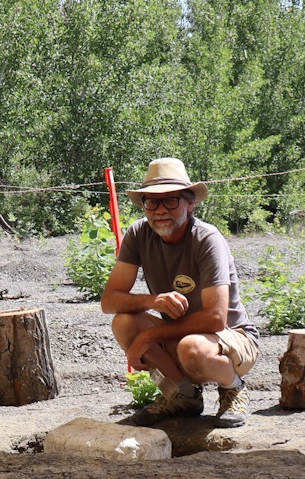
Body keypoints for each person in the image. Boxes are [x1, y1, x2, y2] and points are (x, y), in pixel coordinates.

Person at [100, 158, 259, 427]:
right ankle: (184, 396)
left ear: (190, 203)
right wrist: (152, 301)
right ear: (144, 205)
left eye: (171, 200)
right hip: (181, 336)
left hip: (233, 339)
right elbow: (109, 301)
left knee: (191, 348)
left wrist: (149, 335)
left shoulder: (207, 239)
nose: (160, 210)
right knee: (124, 322)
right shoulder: (138, 234)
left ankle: (233, 389)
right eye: (152, 202)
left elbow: (216, 319)